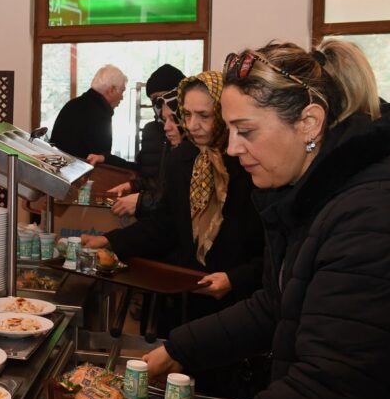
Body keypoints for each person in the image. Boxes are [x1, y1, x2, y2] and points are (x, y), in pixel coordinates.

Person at [118, 41, 390, 399]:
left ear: (309, 123)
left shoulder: (380, 210)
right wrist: (176, 349)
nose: (231, 147)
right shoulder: (312, 191)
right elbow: (278, 303)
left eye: (246, 131)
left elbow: (328, 387)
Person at [82, 71, 264, 336]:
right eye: (187, 115)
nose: (192, 126)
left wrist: (236, 279)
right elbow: (166, 224)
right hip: (187, 294)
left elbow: (269, 246)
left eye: (205, 116)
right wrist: (111, 241)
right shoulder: (182, 159)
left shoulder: (248, 162)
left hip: (239, 303)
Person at [110, 64, 185, 218]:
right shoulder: (153, 130)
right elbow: (155, 177)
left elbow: (178, 196)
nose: (156, 106)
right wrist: (134, 186)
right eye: (154, 101)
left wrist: (141, 201)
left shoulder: (193, 145)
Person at [49, 64, 132, 166]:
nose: (122, 97)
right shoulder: (98, 114)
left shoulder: (73, 104)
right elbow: (99, 159)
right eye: (122, 91)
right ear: (111, 90)